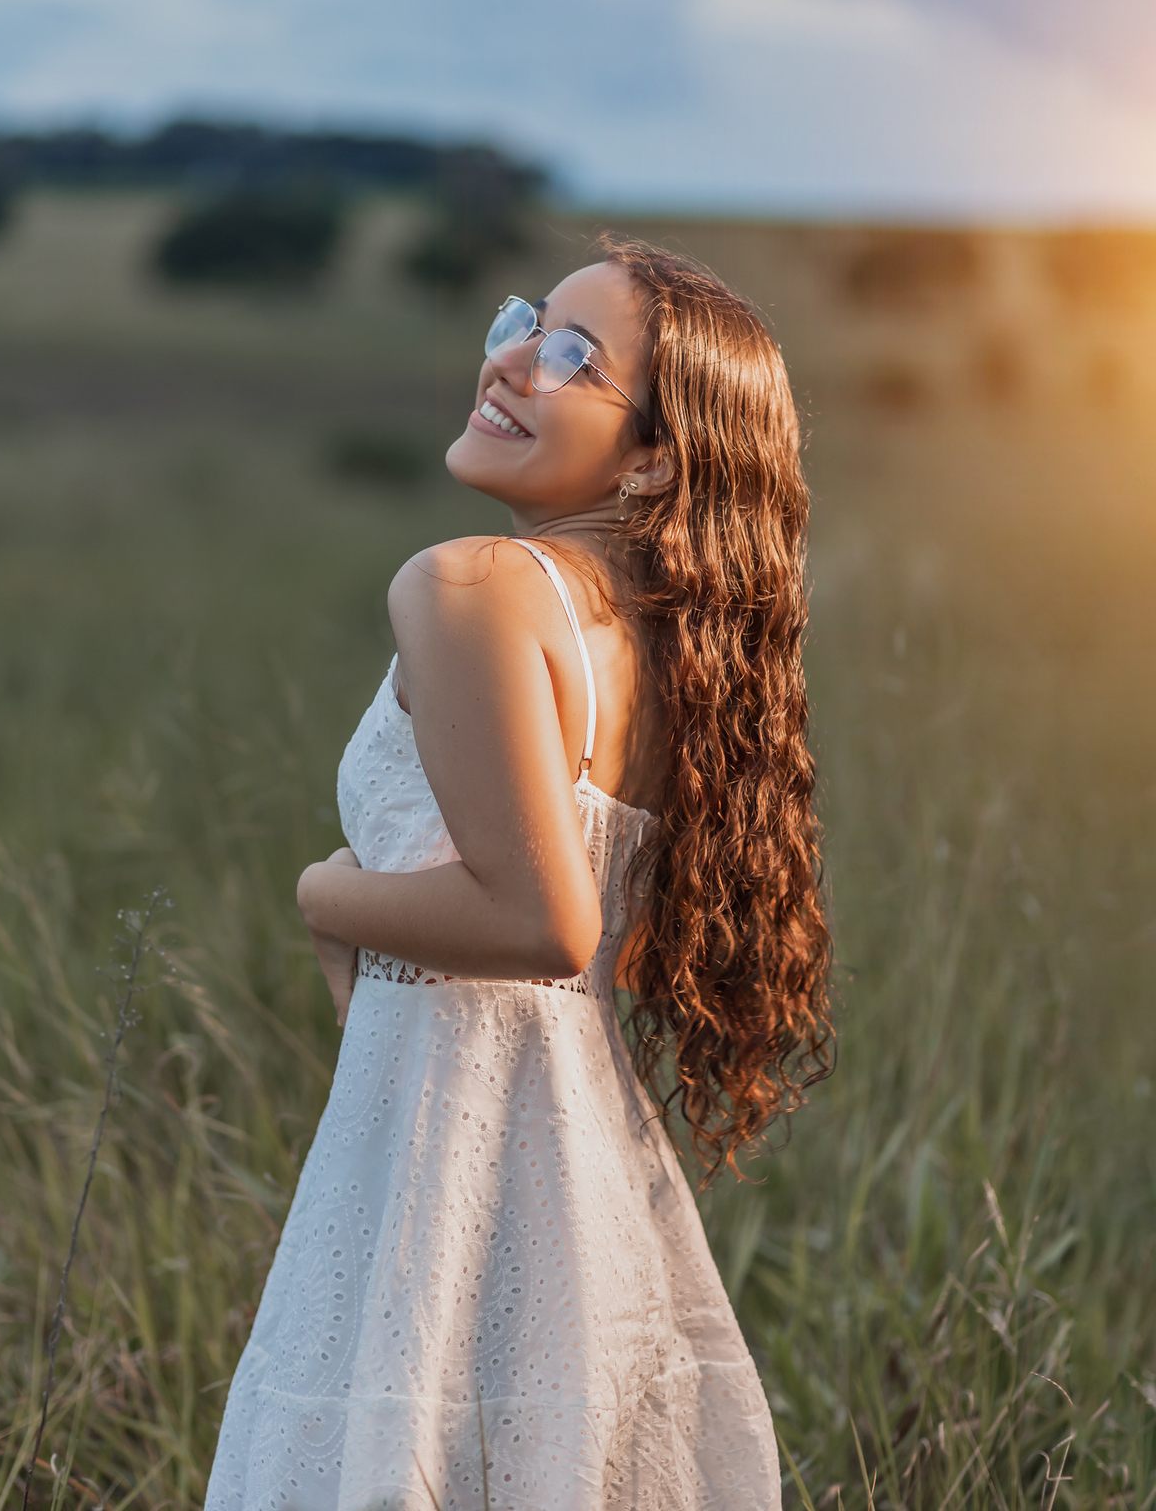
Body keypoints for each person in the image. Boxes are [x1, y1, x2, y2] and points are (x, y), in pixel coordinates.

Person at [204, 237, 833, 1511]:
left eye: (569, 357)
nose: (505, 361)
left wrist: (326, 898)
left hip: (454, 1174)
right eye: (525, 322)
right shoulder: (667, 648)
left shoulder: (472, 586)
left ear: (654, 454)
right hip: (573, 1175)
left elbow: (542, 918)